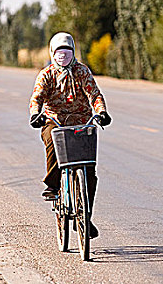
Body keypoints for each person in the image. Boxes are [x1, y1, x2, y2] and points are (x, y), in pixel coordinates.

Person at [29, 32, 112, 239]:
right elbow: (36, 98)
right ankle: (53, 184)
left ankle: (85, 217)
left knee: (89, 170)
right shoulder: (46, 74)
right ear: (52, 52)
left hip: (82, 123)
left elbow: (94, 94)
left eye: (67, 50)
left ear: (73, 51)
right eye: (59, 51)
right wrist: (34, 115)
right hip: (54, 121)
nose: (63, 55)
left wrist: (101, 112)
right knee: (51, 140)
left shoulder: (82, 71)